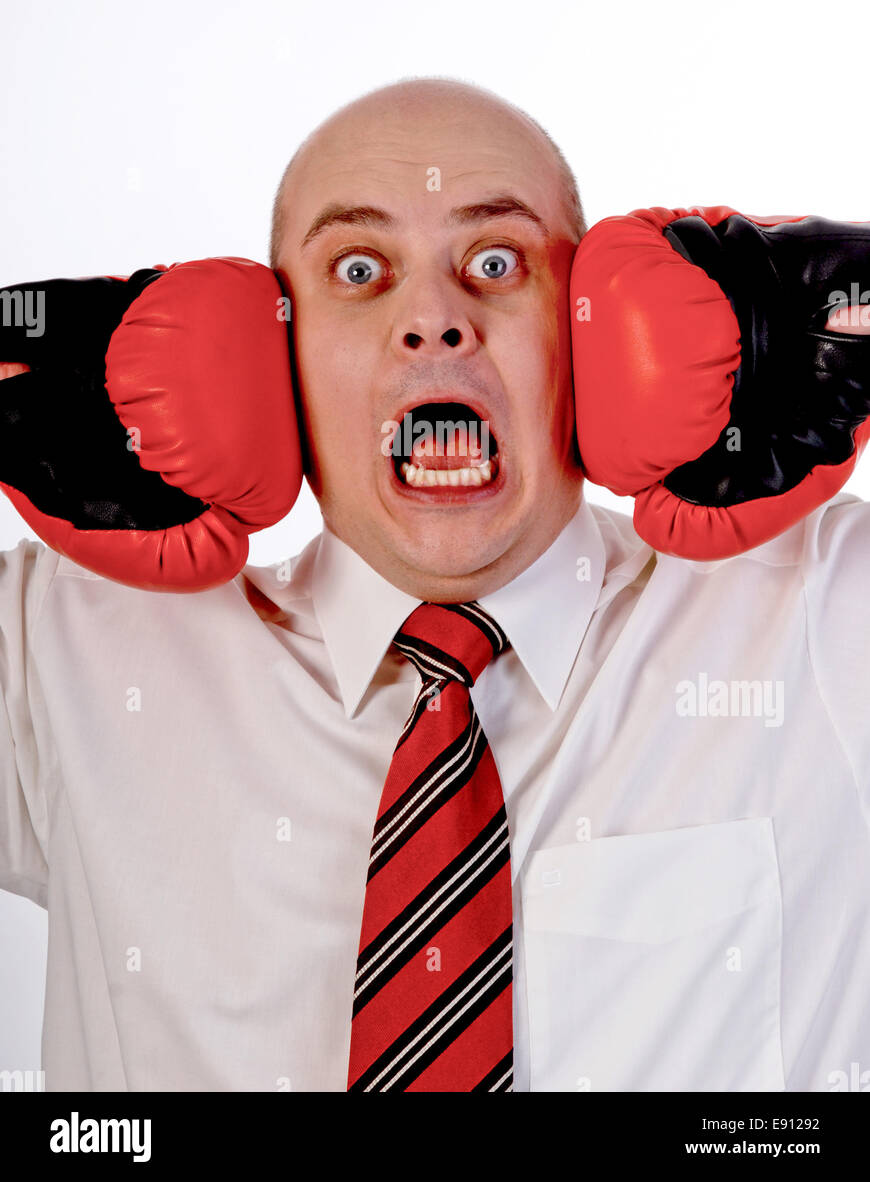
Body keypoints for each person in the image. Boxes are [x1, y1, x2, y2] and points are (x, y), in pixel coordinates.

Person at [1, 77, 869, 1092]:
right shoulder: (68, 648)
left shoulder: (820, 613)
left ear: (596, 330)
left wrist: (816, 298)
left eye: (496, 261)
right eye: (358, 269)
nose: (433, 319)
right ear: (267, 356)